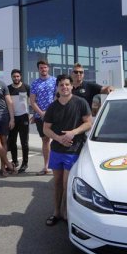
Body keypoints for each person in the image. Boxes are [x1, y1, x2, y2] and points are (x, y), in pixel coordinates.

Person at [43, 74, 92, 226]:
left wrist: (73, 132)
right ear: (57, 88)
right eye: (61, 85)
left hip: (73, 150)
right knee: (57, 182)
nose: (64, 87)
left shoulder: (81, 102)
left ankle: (66, 212)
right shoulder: (52, 107)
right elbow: (46, 129)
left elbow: (89, 123)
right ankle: (56, 212)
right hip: (57, 150)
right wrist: (58, 138)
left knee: (67, 183)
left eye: (67, 84)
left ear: (71, 86)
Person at [30, 60, 57, 175]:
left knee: (57, 139)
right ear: (38, 69)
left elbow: (57, 97)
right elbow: (32, 101)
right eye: (41, 68)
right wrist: (41, 114)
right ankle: (46, 166)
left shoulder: (55, 81)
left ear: (48, 68)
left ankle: (56, 166)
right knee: (45, 140)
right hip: (40, 117)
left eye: (45, 67)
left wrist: (49, 112)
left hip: (55, 115)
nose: (43, 69)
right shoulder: (34, 83)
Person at [7, 69, 30, 173]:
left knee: (24, 142)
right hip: (12, 118)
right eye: (14, 76)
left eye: (18, 76)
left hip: (24, 117)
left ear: (20, 77)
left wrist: (31, 114)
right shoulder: (8, 89)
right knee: (12, 142)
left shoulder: (26, 87)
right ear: (12, 77)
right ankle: (15, 161)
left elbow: (32, 100)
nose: (16, 78)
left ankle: (25, 164)